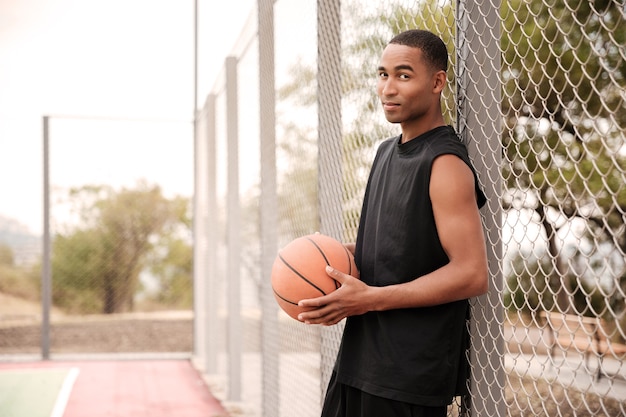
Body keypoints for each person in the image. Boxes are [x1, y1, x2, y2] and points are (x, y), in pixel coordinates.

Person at [298, 29, 489, 417]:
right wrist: (332, 256)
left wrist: (369, 299)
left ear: (437, 82)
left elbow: (471, 273)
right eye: (382, 74)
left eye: (403, 75)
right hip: (358, 360)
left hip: (407, 377)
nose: (388, 88)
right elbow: (397, 246)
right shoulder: (386, 152)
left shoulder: (444, 163)